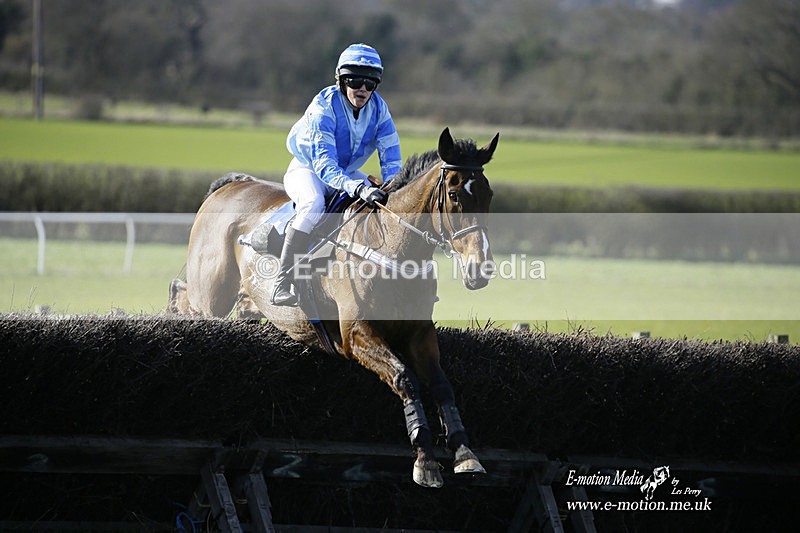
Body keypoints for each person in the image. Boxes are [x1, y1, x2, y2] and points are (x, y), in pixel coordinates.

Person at [271, 43, 402, 306]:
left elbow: (392, 158)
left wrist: (394, 189)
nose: (363, 89)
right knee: (313, 204)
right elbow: (325, 166)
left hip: (349, 174)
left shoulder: (380, 109)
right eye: (355, 80)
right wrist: (357, 187)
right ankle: (281, 282)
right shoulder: (323, 107)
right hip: (309, 170)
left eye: (370, 82)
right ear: (341, 81)